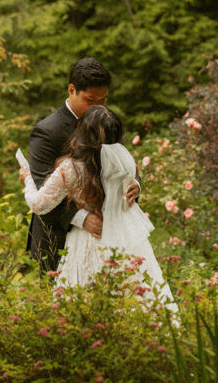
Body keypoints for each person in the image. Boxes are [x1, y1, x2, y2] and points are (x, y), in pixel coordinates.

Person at [19, 105, 175, 311]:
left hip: (88, 241)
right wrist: (136, 183)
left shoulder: (71, 168)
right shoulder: (125, 162)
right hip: (124, 240)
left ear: (81, 133)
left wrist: (28, 179)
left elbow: (38, 205)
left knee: (86, 302)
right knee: (134, 296)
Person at [25, 57, 139, 273]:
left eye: (103, 100)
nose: (97, 106)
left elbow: (120, 159)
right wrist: (82, 219)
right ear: (71, 90)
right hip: (57, 239)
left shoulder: (106, 120)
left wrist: (135, 184)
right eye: (90, 100)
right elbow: (42, 190)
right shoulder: (47, 131)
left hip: (108, 239)